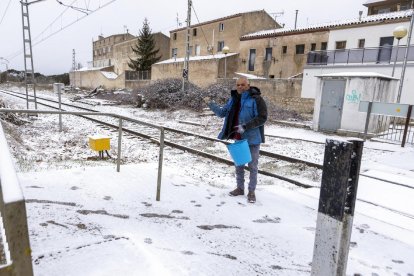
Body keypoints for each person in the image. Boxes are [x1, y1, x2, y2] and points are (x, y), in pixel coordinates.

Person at [205, 77, 267, 203]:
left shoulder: (256, 99)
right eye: (238, 85)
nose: (240, 87)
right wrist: (210, 104)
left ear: (248, 85)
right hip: (238, 138)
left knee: (252, 166)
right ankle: (240, 188)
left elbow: (262, 117)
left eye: (242, 84)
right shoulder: (233, 99)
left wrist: (245, 126)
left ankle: (251, 191)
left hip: (252, 139)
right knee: (239, 165)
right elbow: (222, 113)